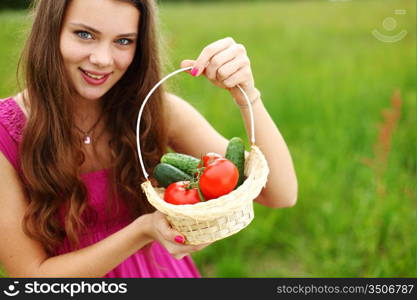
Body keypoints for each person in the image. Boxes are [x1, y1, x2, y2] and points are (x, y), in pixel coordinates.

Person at [0, 0, 298, 278]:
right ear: (50, 32)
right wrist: (143, 231)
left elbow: (281, 194)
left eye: (123, 41)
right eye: (84, 34)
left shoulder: (155, 111)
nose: (103, 59)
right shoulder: (6, 133)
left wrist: (247, 94)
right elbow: (32, 275)